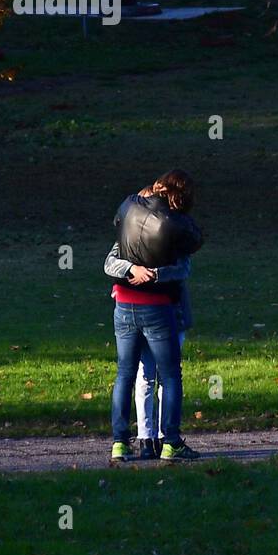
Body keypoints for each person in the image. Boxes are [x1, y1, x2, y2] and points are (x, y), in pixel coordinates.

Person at [105, 169, 202, 463]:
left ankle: (120, 442)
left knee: (126, 374)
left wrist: (129, 270)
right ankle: (170, 441)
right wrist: (153, 274)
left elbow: (111, 259)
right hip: (157, 307)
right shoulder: (174, 227)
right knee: (170, 376)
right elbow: (187, 258)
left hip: (124, 305)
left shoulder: (128, 213)